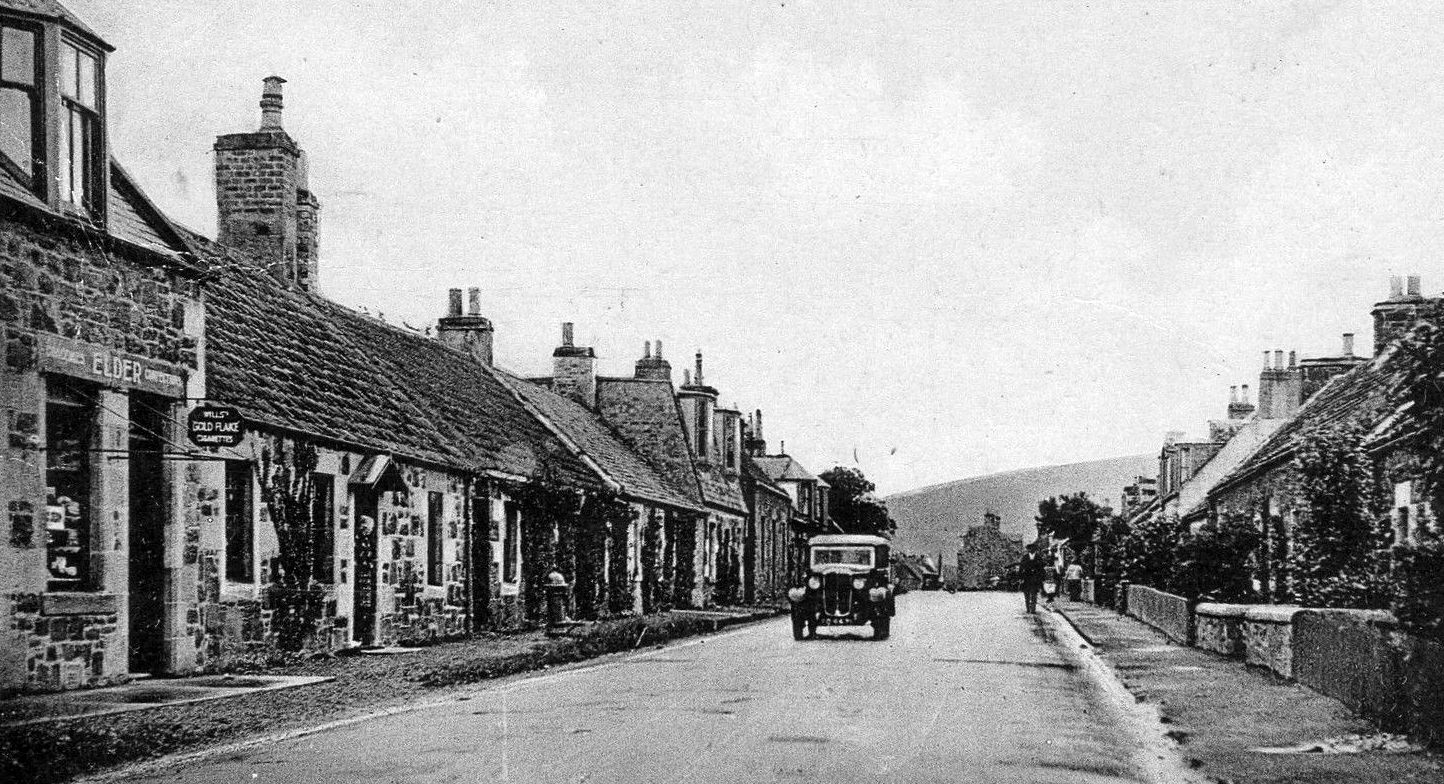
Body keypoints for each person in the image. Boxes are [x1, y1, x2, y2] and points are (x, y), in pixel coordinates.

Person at [1018, 545, 1045, 613]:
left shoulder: (1039, 557)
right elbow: (1021, 567)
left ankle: (1033, 609)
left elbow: (1042, 568)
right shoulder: (1025, 557)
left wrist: (1041, 577)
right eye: (1029, 549)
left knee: (1034, 594)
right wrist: (1020, 577)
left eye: (1033, 548)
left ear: (1035, 549)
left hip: (1035, 578)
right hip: (1027, 577)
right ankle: (1027, 608)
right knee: (1026, 594)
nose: (1031, 550)